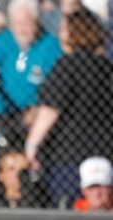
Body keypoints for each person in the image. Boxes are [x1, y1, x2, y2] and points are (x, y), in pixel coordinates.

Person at [25, 8, 113, 208]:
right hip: (105, 150)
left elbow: (50, 110)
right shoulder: (106, 66)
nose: (60, 34)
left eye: (64, 29)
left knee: (69, 207)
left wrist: (32, 144)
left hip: (68, 157)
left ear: (76, 32)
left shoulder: (67, 64)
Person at [0, 0, 62, 150]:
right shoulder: (2, 39)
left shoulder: (51, 45)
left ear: (37, 20)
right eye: (16, 23)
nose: (20, 28)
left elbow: (56, 84)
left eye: (26, 23)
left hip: (30, 116)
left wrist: (38, 108)